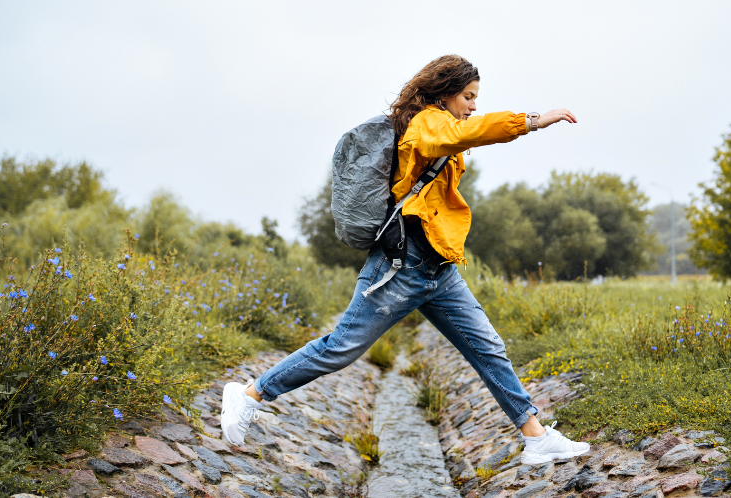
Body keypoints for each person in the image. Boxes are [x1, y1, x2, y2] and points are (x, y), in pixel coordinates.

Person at [221, 55, 590, 465]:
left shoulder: (444, 126)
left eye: (475, 98)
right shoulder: (427, 123)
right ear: (445, 93)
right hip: (402, 266)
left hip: (439, 270)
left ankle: (535, 437)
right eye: (468, 97)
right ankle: (250, 393)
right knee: (341, 348)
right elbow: (470, 132)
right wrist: (533, 120)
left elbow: (458, 148)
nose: (472, 105)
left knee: (488, 348)